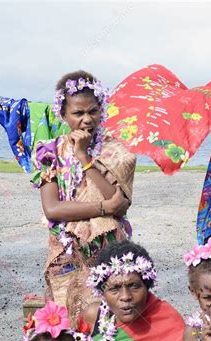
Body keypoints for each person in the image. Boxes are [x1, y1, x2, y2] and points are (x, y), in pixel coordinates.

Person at [31, 70, 136, 323]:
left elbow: (119, 206)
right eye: (78, 113)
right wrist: (102, 207)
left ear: (102, 110)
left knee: (109, 319)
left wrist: (84, 158)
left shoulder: (117, 151)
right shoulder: (50, 152)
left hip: (107, 247)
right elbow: (53, 210)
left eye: (93, 111)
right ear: (64, 114)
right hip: (64, 249)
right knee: (67, 319)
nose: (87, 120)